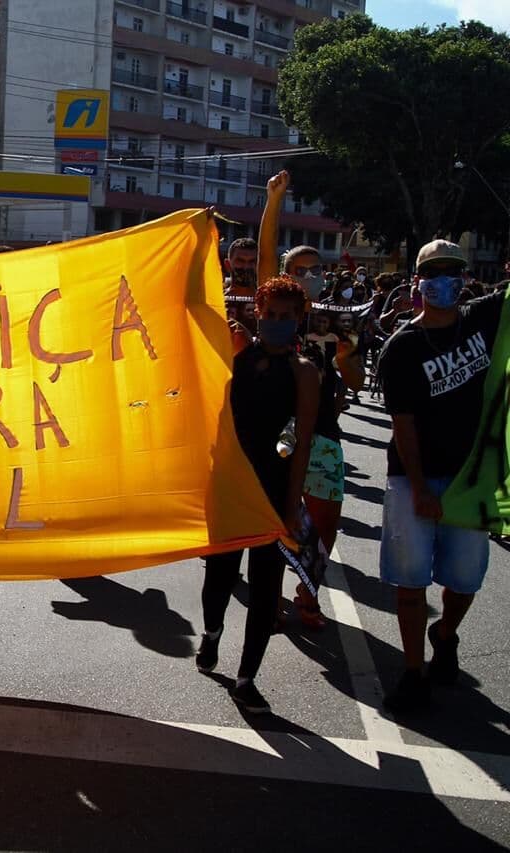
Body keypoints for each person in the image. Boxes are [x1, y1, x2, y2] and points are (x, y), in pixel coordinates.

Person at [377, 239, 502, 712]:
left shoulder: (483, 320)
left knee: (465, 579)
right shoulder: (402, 347)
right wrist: (420, 486)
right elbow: (402, 423)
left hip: (471, 478)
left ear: (464, 280)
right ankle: (413, 673)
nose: (442, 282)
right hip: (413, 479)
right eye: (434, 273)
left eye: (452, 272)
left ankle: (445, 633)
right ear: (419, 282)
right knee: (411, 582)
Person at [197, 275, 320, 714]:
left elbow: (302, 443)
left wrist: (290, 508)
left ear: (299, 319)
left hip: (271, 491)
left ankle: (247, 678)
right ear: (257, 313)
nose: (276, 322)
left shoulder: (304, 372)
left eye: (286, 316)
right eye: (269, 314)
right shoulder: (238, 353)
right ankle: (211, 636)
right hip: (230, 487)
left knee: (267, 590)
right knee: (220, 577)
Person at [260, 171, 364, 628]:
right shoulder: (278, 311)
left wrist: (346, 357)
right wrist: (273, 202)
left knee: (324, 524)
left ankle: (308, 591)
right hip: (277, 437)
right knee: (273, 523)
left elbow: (357, 382)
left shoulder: (335, 321)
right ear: (286, 276)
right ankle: (270, 591)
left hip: (323, 435)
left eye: (316, 269)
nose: (310, 277)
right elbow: (265, 256)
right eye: (300, 271)